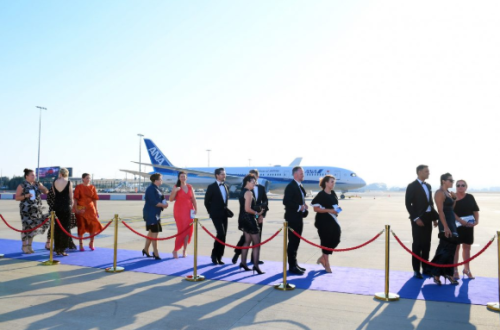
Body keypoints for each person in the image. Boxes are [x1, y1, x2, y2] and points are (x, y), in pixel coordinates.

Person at [405, 165, 439, 279]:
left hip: (428, 217)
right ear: (419, 172)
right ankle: (416, 270)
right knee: (417, 244)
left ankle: (425, 268)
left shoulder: (428, 186)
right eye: (426, 171)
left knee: (426, 244)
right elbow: (408, 204)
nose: (428, 173)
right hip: (418, 218)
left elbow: (430, 203)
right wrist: (415, 218)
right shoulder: (412, 186)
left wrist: (434, 218)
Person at [232, 169, 269, 265]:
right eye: (253, 178)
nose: (255, 180)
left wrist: (262, 215)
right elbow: (246, 206)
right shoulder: (246, 190)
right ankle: (237, 253)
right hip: (249, 216)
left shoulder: (261, 188)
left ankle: (254, 259)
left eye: (256, 177)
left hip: (258, 216)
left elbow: (265, 202)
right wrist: (256, 213)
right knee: (245, 239)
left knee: (257, 239)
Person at [430, 173, 459, 285]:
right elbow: (440, 211)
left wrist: (455, 199)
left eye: (452, 180)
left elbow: (451, 209)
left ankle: (449, 274)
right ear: (443, 181)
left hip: (451, 222)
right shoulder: (439, 193)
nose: (452, 182)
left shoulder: (448, 193)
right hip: (445, 223)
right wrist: (446, 227)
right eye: (450, 180)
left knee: (451, 249)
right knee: (444, 249)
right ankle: (436, 275)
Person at [15, 168, 50, 254]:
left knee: (33, 228)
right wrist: (26, 196)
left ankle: (30, 245)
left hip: (37, 210)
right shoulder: (22, 185)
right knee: (26, 227)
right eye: (32, 175)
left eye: (34, 175)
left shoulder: (37, 184)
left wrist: (42, 187)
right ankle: (24, 246)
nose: (34, 176)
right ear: (27, 176)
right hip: (26, 210)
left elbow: (46, 192)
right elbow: (17, 197)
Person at [311, 175, 341, 273]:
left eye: (334, 182)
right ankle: (326, 262)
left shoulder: (333, 193)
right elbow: (316, 208)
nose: (333, 183)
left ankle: (323, 257)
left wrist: (336, 210)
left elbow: (335, 205)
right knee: (326, 241)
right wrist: (330, 210)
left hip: (333, 220)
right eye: (332, 181)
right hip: (323, 222)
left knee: (336, 239)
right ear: (326, 183)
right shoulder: (321, 195)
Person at [237, 174, 265, 274]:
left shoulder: (242, 191)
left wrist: (257, 214)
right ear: (247, 182)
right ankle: (256, 266)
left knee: (247, 241)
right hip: (249, 219)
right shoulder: (248, 192)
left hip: (243, 219)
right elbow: (247, 209)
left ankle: (243, 263)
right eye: (253, 182)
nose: (255, 184)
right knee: (257, 243)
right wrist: (257, 214)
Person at [283, 166, 309, 275]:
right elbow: (286, 201)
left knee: (296, 242)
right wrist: (299, 207)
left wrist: (304, 206)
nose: (303, 175)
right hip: (292, 219)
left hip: (299, 218)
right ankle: (292, 266)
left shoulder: (300, 186)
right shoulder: (291, 186)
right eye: (301, 173)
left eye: (303, 173)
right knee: (293, 242)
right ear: (295, 175)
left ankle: (295, 263)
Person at [204, 168, 233, 265]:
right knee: (220, 233)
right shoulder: (211, 187)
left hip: (224, 214)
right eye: (222, 174)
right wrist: (211, 212)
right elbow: (206, 202)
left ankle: (220, 256)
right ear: (217, 175)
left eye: (224, 174)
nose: (224, 176)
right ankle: (214, 255)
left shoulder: (225, 186)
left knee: (223, 235)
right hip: (215, 215)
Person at [453, 180, 480, 280]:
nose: (460, 187)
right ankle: (455, 270)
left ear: (466, 187)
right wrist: (460, 220)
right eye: (458, 185)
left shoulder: (470, 197)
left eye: (462, 185)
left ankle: (466, 269)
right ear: (456, 187)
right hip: (456, 225)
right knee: (456, 248)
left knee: (467, 248)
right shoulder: (453, 197)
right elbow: (450, 211)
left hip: (468, 226)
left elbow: (475, 210)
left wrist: (476, 221)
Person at [169, 171, 197, 258]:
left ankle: (185, 250)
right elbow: (170, 199)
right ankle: (175, 250)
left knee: (188, 231)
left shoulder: (190, 187)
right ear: (179, 178)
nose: (183, 178)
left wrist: (196, 209)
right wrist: (175, 191)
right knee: (181, 231)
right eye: (181, 176)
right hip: (179, 211)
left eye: (184, 176)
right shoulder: (176, 187)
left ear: (186, 178)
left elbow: (193, 199)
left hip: (189, 210)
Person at [45, 181, 77, 250]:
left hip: (61, 209)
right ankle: (50, 242)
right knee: (55, 227)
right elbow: (49, 200)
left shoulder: (58, 187)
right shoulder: (54, 188)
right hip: (57, 210)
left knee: (64, 227)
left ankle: (64, 244)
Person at [143, 173, 168, 259]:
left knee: (151, 232)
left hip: (156, 214)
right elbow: (154, 202)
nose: (161, 181)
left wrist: (165, 203)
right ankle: (156, 252)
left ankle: (146, 249)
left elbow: (161, 199)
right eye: (160, 179)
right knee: (154, 233)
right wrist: (163, 205)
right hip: (151, 214)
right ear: (156, 180)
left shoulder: (158, 189)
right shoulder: (150, 189)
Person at [74, 173, 102, 251]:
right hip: (81, 209)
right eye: (87, 178)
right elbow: (75, 199)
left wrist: (96, 210)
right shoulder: (78, 187)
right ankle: (81, 244)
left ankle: (91, 242)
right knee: (81, 226)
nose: (88, 180)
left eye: (89, 178)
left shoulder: (92, 187)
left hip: (91, 209)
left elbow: (95, 199)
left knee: (93, 225)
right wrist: (76, 209)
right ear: (82, 178)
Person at [51, 168, 73, 256]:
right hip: (65, 207)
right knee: (65, 227)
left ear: (60, 174)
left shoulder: (54, 182)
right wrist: (72, 205)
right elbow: (71, 196)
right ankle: (63, 249)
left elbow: (55, 194)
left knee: (57, 228)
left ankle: (57, 248)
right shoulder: (69, 183)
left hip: (56, 206)